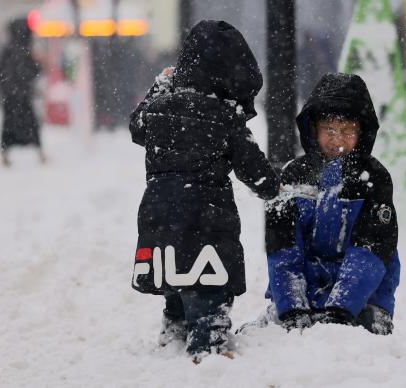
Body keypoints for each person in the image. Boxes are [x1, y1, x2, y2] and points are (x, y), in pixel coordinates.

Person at [128, 20, 279, 360]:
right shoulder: (225, 117)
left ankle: (174, 330)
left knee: (174, 280)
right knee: (210, 287)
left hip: (159, 213)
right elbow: (253, 169)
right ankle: (207, 344)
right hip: (206, 216)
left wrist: (160, 87)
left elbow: (136, 127)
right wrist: (273, 188)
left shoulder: (159, 108)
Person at [264, 73, 401, 335]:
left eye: (347, 131)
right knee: (271, 335)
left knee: (363, 337)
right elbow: (282, 248)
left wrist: (341, 309)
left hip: (364, 296)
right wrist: (292, 307)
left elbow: (370, 249)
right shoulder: (294, 176)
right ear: (314, 129)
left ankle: (367, 317)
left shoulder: (374, 179)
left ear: (362, 133)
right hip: (305, 291)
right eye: (330, 130)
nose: (337, 140)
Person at [0, 18, 44, 167]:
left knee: (8, 126)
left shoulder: (8, 51)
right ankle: (40, 153)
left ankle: (5, 155)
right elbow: (32, 71)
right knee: (31, 124)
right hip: (22, 95)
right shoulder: (25, 51)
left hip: (10, 96)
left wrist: (2, 84)